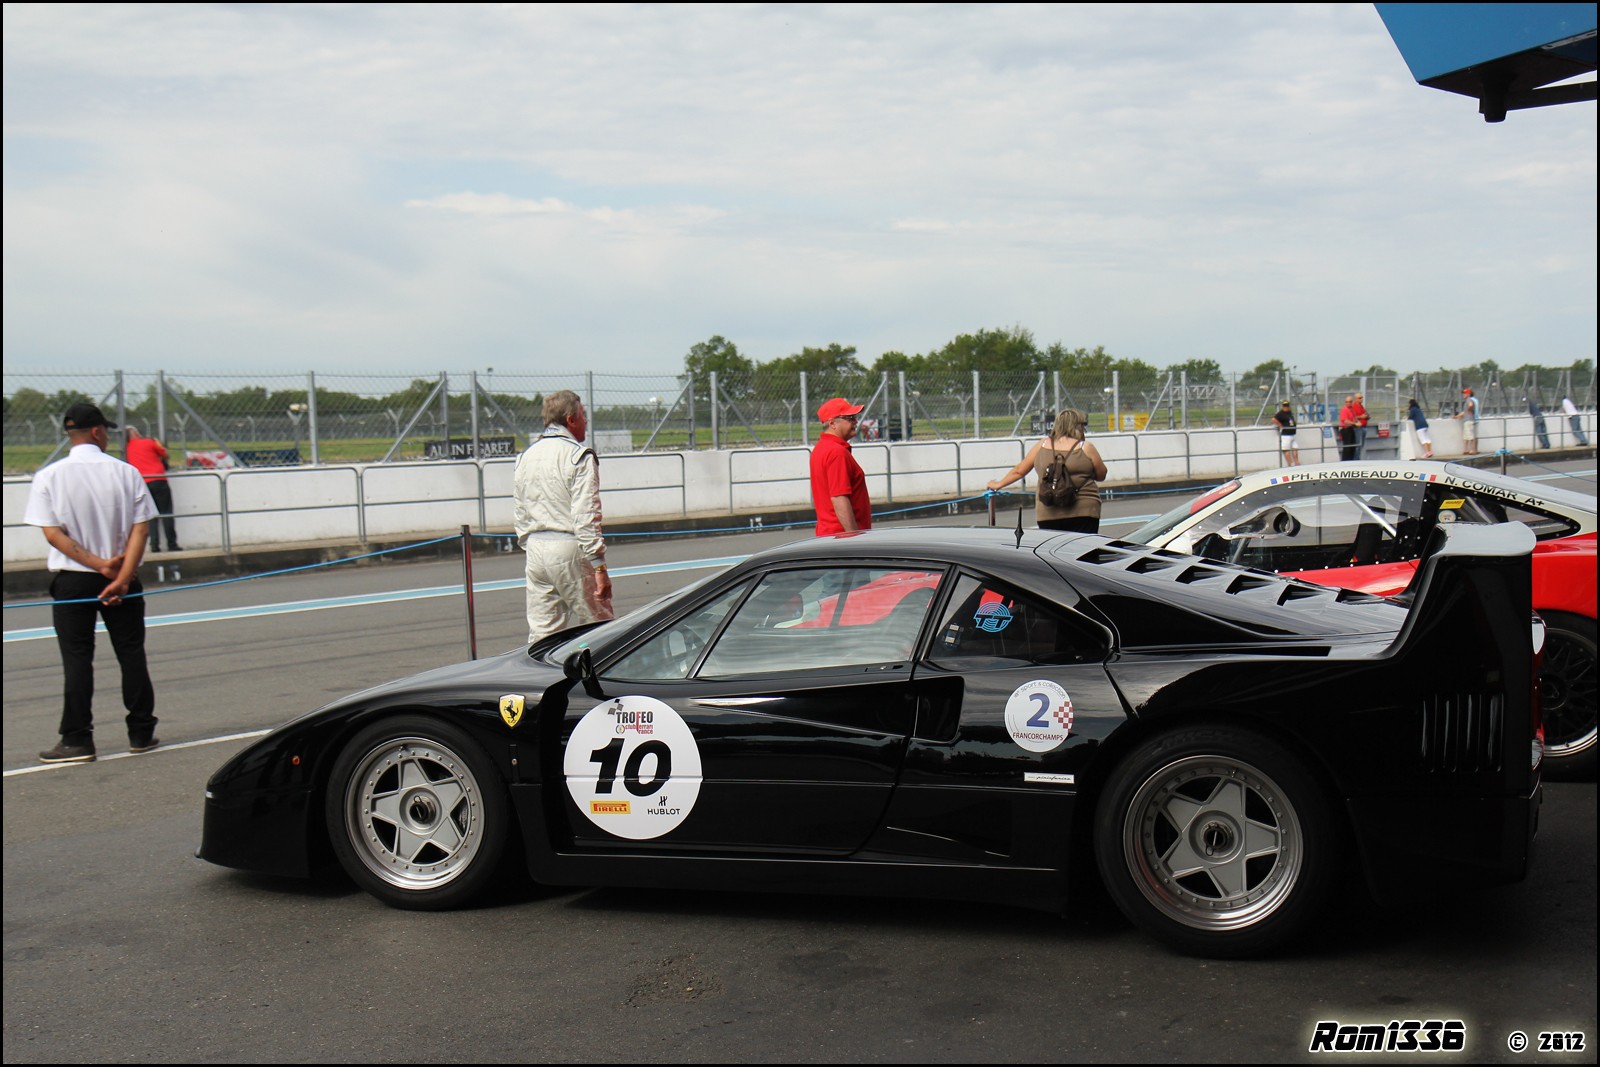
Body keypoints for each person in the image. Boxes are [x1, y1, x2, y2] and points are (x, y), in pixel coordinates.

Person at [24, 403, 159, 763]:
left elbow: (53, 535)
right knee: (131, 653)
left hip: (73, 581)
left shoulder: (49, 476)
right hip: (124, 577)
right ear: (98, 432)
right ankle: (141, 732)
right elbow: (141, 528)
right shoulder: (126, 472)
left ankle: (77, 739)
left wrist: (99, 566)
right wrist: (121, 576)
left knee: (77, 658)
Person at [512, 390, 613, 645]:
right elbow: (586, 515)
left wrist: (530, 544)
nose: (586, 422)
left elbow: (520, 510)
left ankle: (538, 683)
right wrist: (599, 565)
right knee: (600, 630)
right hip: (569, 547)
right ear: (571, 420)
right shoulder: (579, 455)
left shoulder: (525, 456)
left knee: (542, 638)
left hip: (535, 548)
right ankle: (599, 684)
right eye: (583, 416)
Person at [987, 407, 1108, 532]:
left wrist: (998, 484)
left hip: (1048, 511)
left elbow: (1019, 471)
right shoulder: (1085, 447)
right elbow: (1101, 475)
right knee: (1083, 549)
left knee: (1052, 549)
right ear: (1078, 426)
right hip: (1084, 510)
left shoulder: (1043, 444)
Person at [810, 397, 872, 535]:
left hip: (831, 536)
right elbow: (839, 498)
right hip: (841, 538)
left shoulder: (821, 448)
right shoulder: (836, 452)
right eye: (850, 418)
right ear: (833, 423)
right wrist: (853, 536)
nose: (856, 421)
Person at [124, 425, 181, 552]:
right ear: (136, 433)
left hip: (142, 483)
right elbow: (165, 454)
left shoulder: (127, 449)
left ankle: (154, 545)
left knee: (150, 516)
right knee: (166, 512)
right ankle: (172, 544)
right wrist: (158, 443)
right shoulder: (148, 442)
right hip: (158, 479)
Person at [1271, 401, 1299, 465]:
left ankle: (1297, 462)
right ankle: (1290, 463)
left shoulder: (1289, 412)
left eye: (1287, 406)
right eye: (1285, 406)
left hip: (1292, 434)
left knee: (1295, 448)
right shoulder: (1281, 413)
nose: (1286, 407)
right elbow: (1273, 419)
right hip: (1286, 434)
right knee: (1286, 449)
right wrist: (1280, 425)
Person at [1454, 387, 1479, 454]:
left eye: (1465, 393)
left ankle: (1472, 450)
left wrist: (1469, 410)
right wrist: (1457, 416)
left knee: (1470, 435)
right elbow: (1464, 412)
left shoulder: (1469, 399)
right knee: (1466, 436)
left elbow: (1470, 405)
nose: (1464, 395)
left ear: (1468, 394)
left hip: (1469, 420)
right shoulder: (1467, 401)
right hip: (1467, 420)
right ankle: (1466, 450)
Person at [1337, 395, 1360, 461]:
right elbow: (1345, 421)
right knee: (1347, 447)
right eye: (1347, 402)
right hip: (1345, 429)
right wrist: (1355, 423)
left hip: (1351, 428)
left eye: (1350, 402)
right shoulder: (1344, 410)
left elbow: (1354, 418)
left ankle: (1351, 460)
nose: (1348, 403)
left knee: (1352, 446)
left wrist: (1357, 422)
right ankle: (1345, 461)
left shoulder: (1352, 410)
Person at [1351, 392, 1370, 459]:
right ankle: (1356, 459)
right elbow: (1353, 417)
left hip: (1364, 426)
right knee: (1358, 445)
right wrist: (1361, 417)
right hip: (1358, 428)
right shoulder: (1354, 406)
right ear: (1356, 399)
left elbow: (1365, 414)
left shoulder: (1362, 406)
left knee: (1361, 445)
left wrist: (1367, 416)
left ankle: (1359, 458)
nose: (1361, 399)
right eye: (1359, 398)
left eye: (1362, 397)